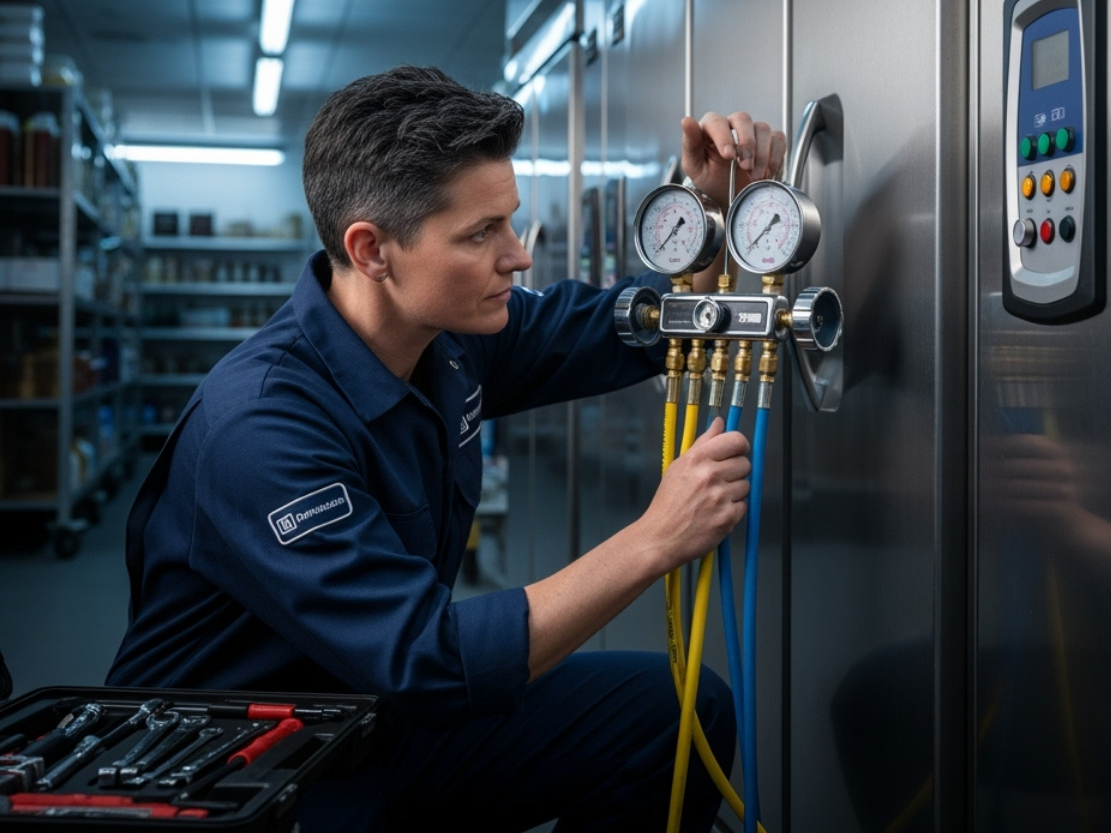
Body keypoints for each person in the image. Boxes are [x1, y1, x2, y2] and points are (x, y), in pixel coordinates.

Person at [107, 65, 786, 831]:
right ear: (372, 251)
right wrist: (654, 540)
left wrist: (705, 218)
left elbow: (599, 326)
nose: (518, 256)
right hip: (242, 771)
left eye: (509, 221)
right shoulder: (261, 427)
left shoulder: (450, 339)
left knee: (678, 715)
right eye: (480, 234)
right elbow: (428, 658)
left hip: (374, 719)